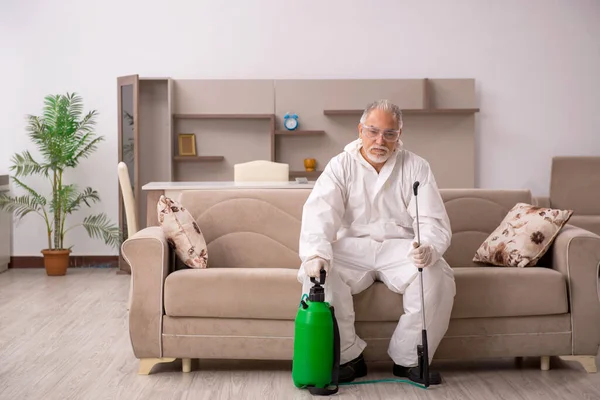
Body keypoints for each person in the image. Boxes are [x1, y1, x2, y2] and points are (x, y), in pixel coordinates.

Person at [297, 99, 456, 385]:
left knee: (438, 274)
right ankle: (348, 358)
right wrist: (316, 253)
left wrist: (429, 248)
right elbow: (320, 213)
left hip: (401, 247)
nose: (380, 140)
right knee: (317, 274)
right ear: (360, 130)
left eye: (389, 134)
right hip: (352, 247)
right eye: (373, 131)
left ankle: (408, 359)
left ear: (399, 135)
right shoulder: (340, 165)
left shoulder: (416, 166)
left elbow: (431, 219)